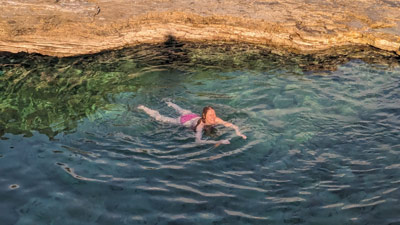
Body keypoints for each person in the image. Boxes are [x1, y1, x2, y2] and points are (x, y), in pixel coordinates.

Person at [138, 101, 246, 145]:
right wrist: (219, 141)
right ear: (204, 116)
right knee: (160, 118)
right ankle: (144, 108)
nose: (213, 117)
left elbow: (232, 125)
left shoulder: (216, 119)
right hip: (184, 121)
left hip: (192, 115)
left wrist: (238, 133)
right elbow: (198, 141)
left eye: (214, 114)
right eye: (210, 116)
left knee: (181, 109)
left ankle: (169, 103)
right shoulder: (200, 126)